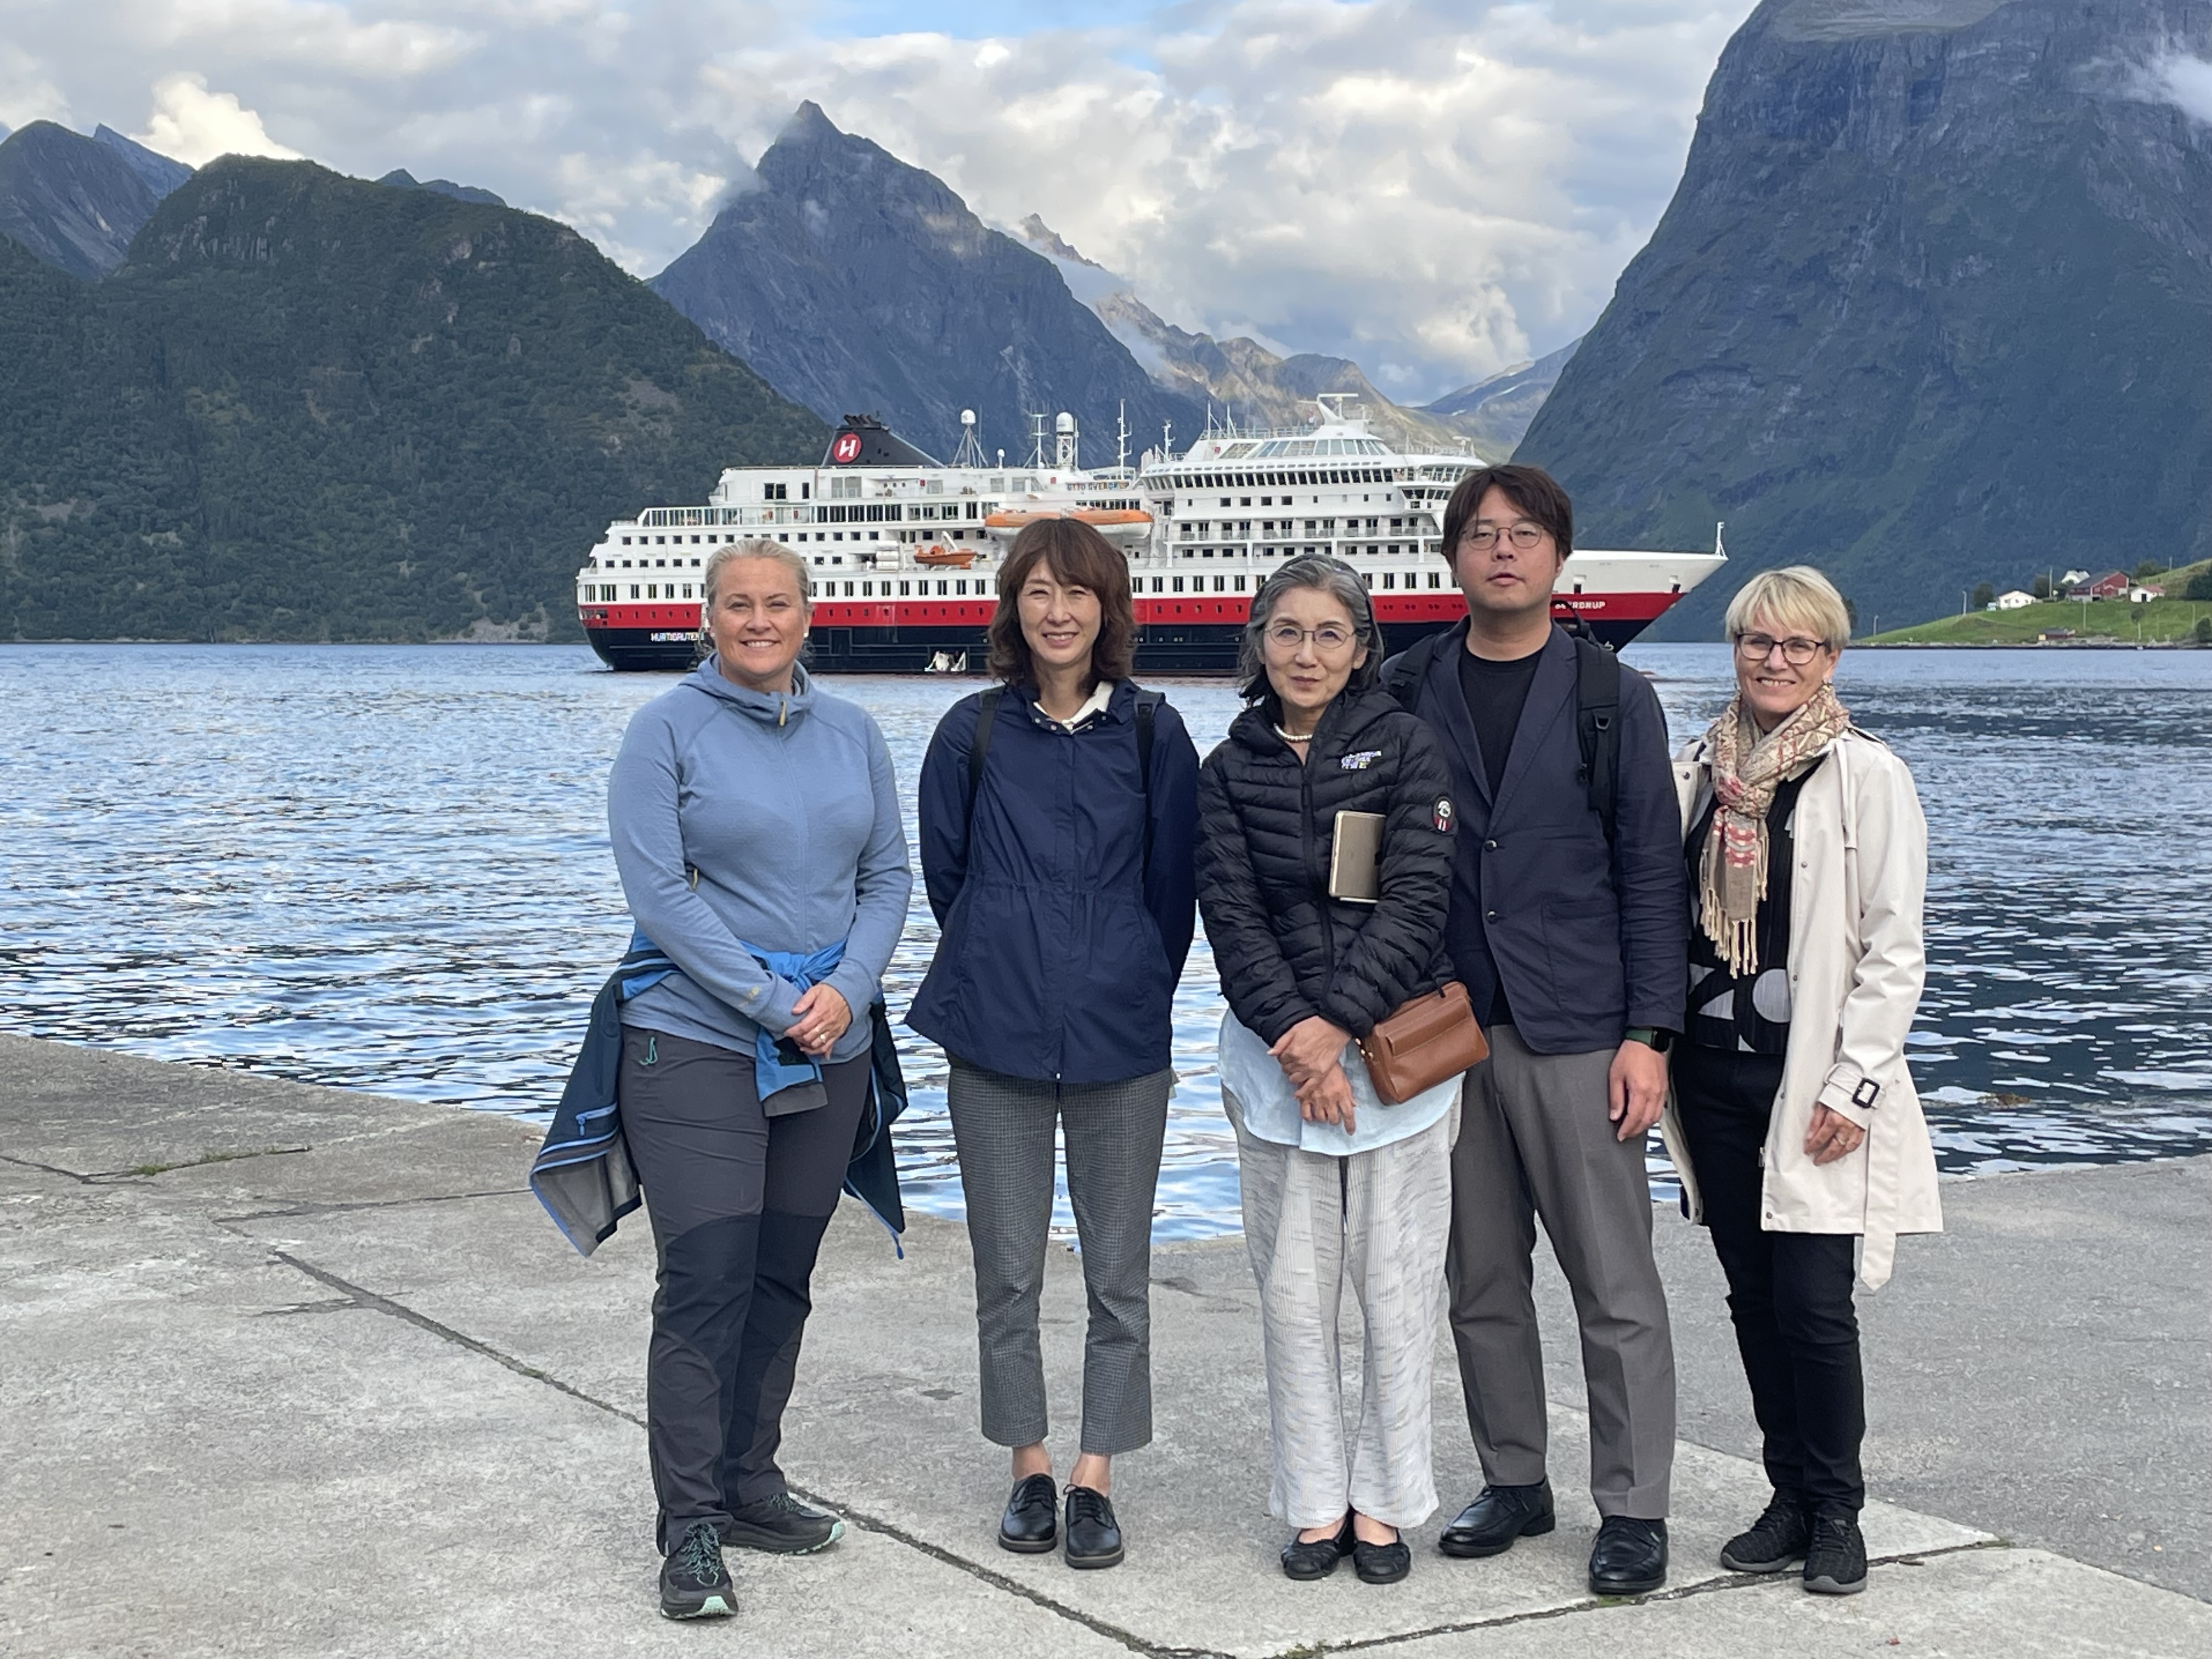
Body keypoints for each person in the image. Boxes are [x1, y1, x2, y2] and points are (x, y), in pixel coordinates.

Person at [1385, 465, 1688, 1597]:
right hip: (1448, 1029)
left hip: (1580, 1028)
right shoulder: (1409, 686)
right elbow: (1370, 848)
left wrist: (1650, 1034)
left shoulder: (1615, 697)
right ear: (1452, 557)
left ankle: (1634, 1506)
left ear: (1559, 558)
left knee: (1614, 1279)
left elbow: (1653, 874)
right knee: (1478, 1276)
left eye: (1523, 535)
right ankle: (1514, 1478)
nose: (1501, 551)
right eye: (1480, 534)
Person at [606, 540, 912, 1620]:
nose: (758, 621)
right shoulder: (665, 731)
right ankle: (688, 1530)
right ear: (708, 617)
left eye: (776, 603)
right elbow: (660, 896)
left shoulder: (855, 734)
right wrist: (773, 1001)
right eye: (737, 604)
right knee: (708, 1276)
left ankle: (749, 1486)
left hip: (832, 1038)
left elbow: (887, 876)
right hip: (694, 1037)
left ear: (806, 614)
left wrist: (853, 989)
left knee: (783, 1272)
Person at [909, 518, 1200, 1571]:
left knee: (1120, 1272)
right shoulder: (972, 730)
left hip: (1124, 1037)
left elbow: (1175, 894)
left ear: (1109, 609)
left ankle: (1095, 1478)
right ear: (1014, 608)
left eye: (1080, 592)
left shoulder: (1156, 733)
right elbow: (951, 880)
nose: (1060, 611)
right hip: (994, 1032)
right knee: (1010, 1270)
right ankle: (1029, 1467)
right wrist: (1010, 958)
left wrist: (1118, 972)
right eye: (1039, 591)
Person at [1662, 565, 1942, 1597]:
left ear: (1832, 656)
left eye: (1800, 646)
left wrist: (1853, 1085)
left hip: (1810, 1086)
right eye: (1756, 642)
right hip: (1712, 1075)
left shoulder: (1871, 777)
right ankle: (1787, 1494)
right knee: (1752, 1299)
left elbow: (1894, 950)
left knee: (1816, 1306)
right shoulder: (1699, 768)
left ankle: (1839, 1510)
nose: (1775, 661)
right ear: (1734, 650)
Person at [1196, 554, 1462, 1586]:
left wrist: (1338, 1026)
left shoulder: (1407, 748)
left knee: (1396, 1292)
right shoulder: (1227, 770)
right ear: (1259, 643)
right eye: (1288, 632)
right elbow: (1230, 915)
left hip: (1399, 1059)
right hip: (1276, 1067)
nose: (1308, 653)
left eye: (1330, 634)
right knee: (1293, 1297)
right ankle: (1314, 1505)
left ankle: (1384, 1506)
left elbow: (1419, 898)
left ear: (1363, 649)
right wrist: (1298, 1038)